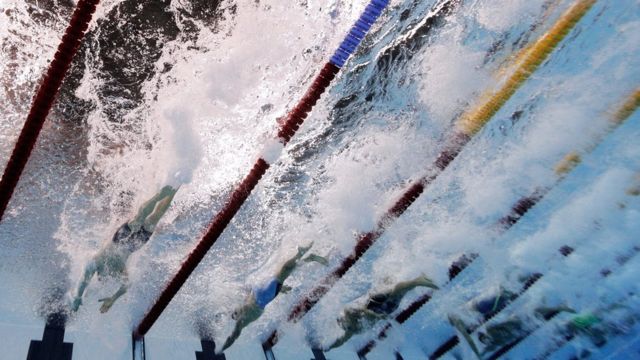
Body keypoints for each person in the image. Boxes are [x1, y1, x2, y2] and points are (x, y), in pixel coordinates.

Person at [70, 185, 179, 313]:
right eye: (107, 278)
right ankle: (175, 189)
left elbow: (84, 279)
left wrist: (77, 297)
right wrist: (113, 299)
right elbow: (126, 286)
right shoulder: (118, 272)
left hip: (119, 239)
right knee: (154, 219)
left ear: (99, 275)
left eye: (102, 278)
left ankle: (161, 194)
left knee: (138, 219)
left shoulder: (96, 263)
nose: (106, 277)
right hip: (134, 246)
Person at [222, 244, 328, 351]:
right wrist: (222, 349)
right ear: (239, 317)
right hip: (266, 295)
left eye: (235, 310)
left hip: (260, 288)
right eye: (236, 313)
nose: (237, 310)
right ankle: (300, 253)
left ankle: (310, 258)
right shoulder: (242, 322)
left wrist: (281, 290)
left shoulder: (242, 305)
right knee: (285, 270)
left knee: (285, 270)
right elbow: (233, 337)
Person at [327, 275, 439, 350]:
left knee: (394, 291)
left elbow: (363, 310)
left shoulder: (348, 316)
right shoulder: (351, 330)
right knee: (398, 293)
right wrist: (328, 347)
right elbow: (340, 341)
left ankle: (416, 281)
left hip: (374, 303)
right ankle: (417, 280)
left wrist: (377, 316)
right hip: (384, 310)